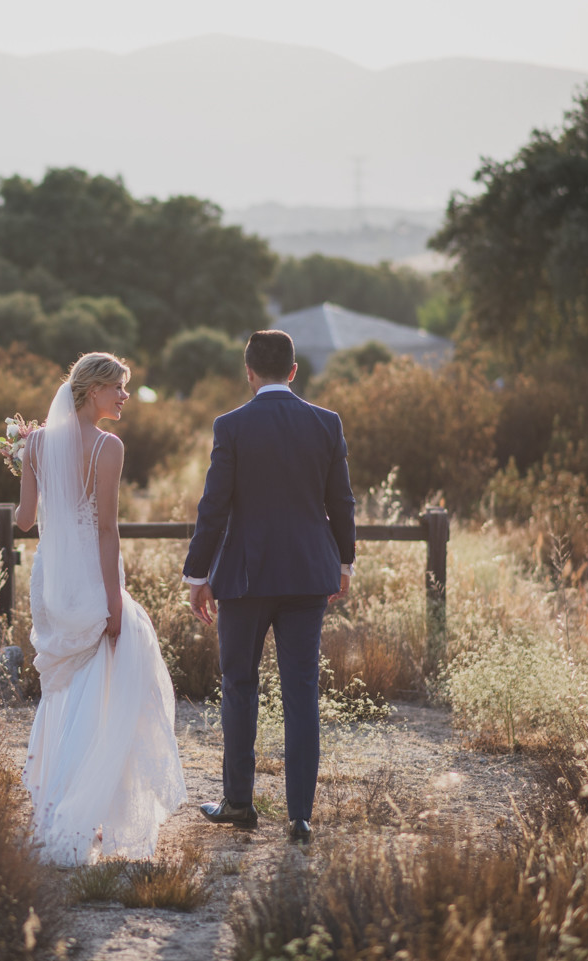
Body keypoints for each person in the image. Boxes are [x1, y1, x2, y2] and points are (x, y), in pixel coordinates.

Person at [182, 330, 356, 845]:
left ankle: (239, 802)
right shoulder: (326, 423)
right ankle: (300, 815)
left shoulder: (231, 425)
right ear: (294, 371)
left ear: (249, 372)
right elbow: (341, 502)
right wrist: (344, 562)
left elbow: (214, 506)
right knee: (302, 690)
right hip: (308, 574)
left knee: (240, 684)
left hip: (245, 577)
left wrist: (197, 575)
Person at [17, 352, 187, 865]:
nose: (125, 396)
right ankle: (82, 806)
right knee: (105, 682)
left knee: (64, 686)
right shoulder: (108, 448)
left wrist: (25, 462)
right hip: (91, 575)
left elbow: (24, 520)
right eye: (119, 387)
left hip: (51, 580)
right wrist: (115, 602)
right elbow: (108, 531)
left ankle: (61, 803)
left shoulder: (36, 444)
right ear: (94, 391)